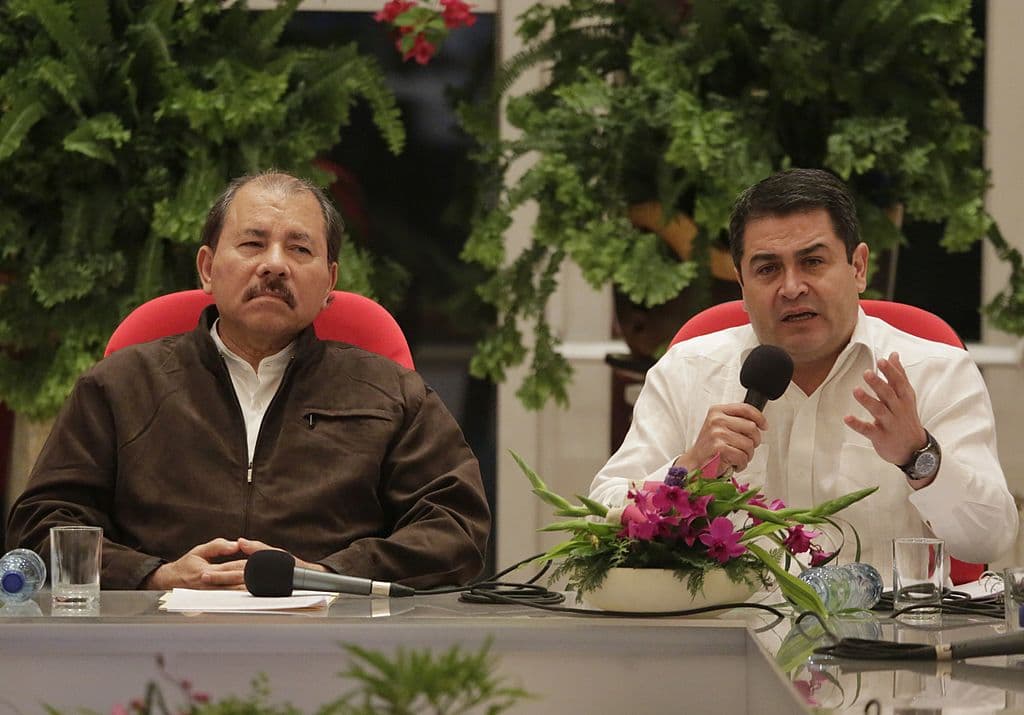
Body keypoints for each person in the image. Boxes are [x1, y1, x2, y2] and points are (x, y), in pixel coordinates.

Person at [6, 171, 490, 590]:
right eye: (253, 243)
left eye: (299, 248)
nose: (274, 264)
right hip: (154, 644)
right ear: (207, 269)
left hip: (337, 646)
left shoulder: (393, 394)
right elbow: (42, 525)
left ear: (329, 284)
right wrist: (151, 574)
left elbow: (456, 528)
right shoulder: (119, 386)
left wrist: (328, 573)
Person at [590, 168, 1018, 579]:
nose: (792, 287)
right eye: (767, 269)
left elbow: (988, 541)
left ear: (858, 268)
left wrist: (919, 456)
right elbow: (599, 519)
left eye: (812, 262)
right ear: (741, 284)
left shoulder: (934, 372)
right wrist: (687, 471)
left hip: (886, 641)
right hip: (727, 632)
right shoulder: (687, 372)